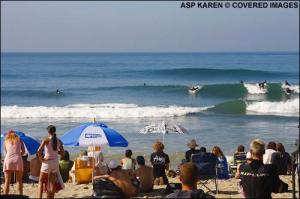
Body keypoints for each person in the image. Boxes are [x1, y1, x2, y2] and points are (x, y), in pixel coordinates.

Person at [37, 125, 64, 199]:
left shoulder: (46, 140)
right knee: (52, 182)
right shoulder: (59, 141)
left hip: (47, 162)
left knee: (41, 180)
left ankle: (40, 197)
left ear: (48, 131)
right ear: (55, 131)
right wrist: (56, 153)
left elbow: (38, 151)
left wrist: (41, 159)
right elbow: (62, 153)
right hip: (55, 162)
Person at [3, 130, 26, 195]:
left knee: (7, 181)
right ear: (15, 135)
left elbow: (7, 152)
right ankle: (20, 195)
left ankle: (5, 196)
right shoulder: (20, 140)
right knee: (19, 180)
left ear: (8, 135)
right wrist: (18, 154)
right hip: (18, 159)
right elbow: (23, 152)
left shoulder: (5, 141)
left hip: (8, 160)